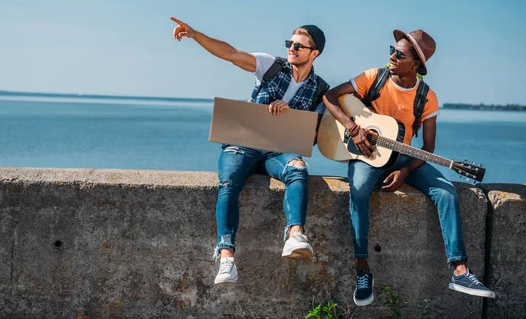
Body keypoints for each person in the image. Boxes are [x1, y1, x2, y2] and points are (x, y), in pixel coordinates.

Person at [323, 29, 495, 306]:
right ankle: (362, 269)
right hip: (368, 155)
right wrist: (353, 128)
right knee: (358, 190)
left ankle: (460, 270)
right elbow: (330, 97)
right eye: (392, 49)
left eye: (399, 54)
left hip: (404, 159)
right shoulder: (373, 77)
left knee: (447, 192)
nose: (391, 56)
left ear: (416, 64)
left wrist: (405, 172)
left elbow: (427, 148)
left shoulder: (427, 97)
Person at [171, 16, 329, 284]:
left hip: (277, 152)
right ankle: (227, 257)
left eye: (298, 46)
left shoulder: (321, 90)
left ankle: (294, 236)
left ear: (314, 54)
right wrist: (195, 34)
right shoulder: (271, 65)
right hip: (243, 144)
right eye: (289, 43)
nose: (291, 48)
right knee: (229, 182)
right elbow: (230, 54)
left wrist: (292, 116)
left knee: (298, 169)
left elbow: (314, 138)